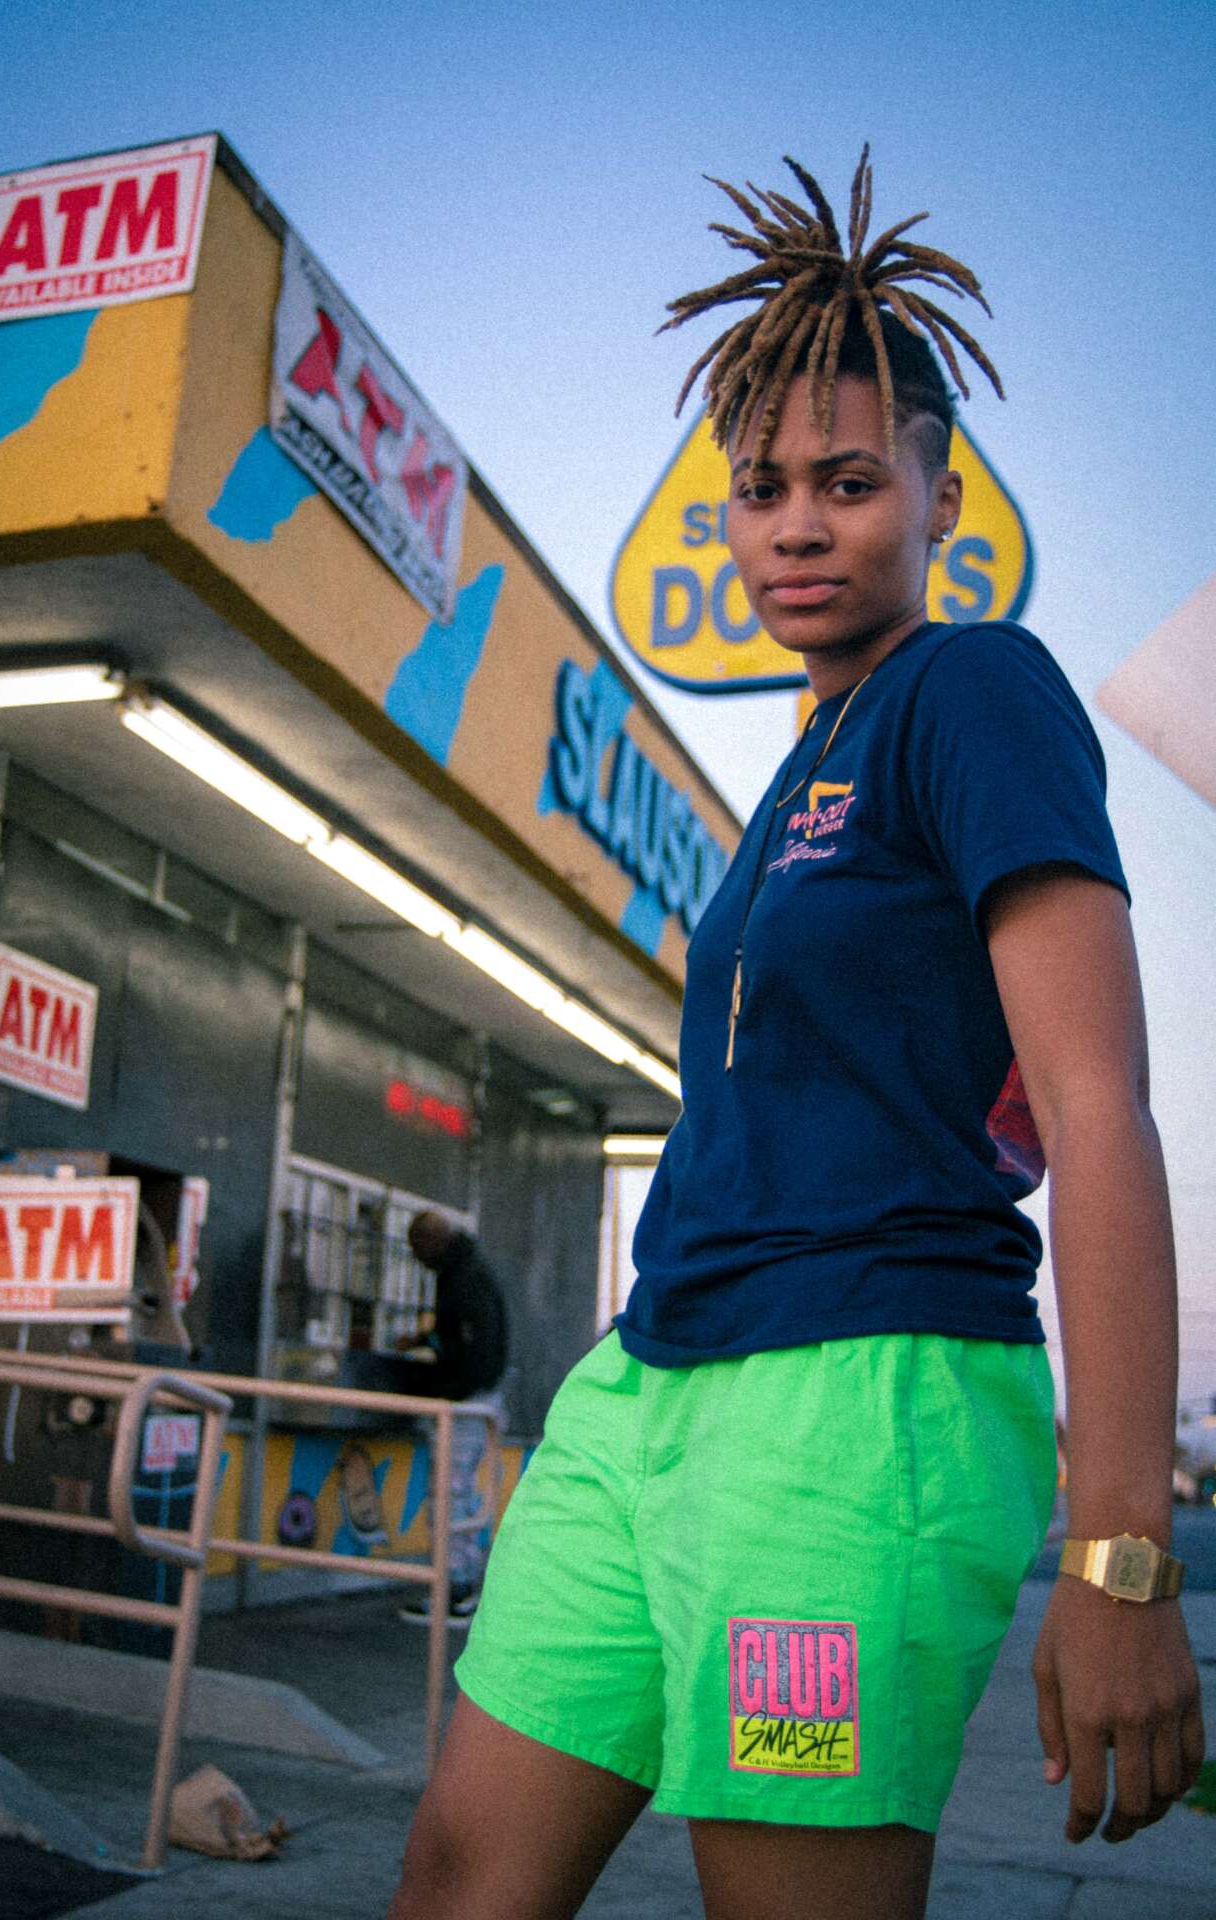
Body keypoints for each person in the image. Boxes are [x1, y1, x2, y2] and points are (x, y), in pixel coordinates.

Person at [387, 147, 1204, 1920]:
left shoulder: (970, 689)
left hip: (858, 1402)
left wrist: (1120, 1554)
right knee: (457, 1874)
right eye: (759, 489)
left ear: (935, 491)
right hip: (644, 1384)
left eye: (847, 480)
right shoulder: (789, 781)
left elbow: (1096, 1106)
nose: (797, 526)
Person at [394, 1210, 508, 1627]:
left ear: (431, 1243)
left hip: (465, 1402)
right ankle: (460, 1587)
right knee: (457, 1493)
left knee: (450, 1493)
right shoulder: (466, 1272)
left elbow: (474, 1349)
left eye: (416, 1248)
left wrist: (447, 1386)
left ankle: (455, 1590)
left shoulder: (464, 1279)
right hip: (476, 1399)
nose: (415, 1258)